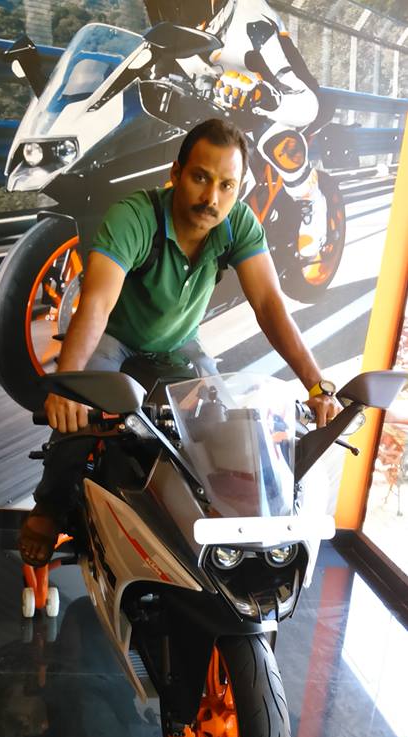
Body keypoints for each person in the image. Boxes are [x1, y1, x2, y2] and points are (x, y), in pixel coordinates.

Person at [19, 118, 339, 567]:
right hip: (115, 335)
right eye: (201, 178)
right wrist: (68, 385)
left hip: (179, 344)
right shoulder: (135, 217)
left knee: (221, 421)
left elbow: (269, 304)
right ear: (176, 173)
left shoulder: (237, 224)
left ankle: (207, 524)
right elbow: (96, 304)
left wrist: (317, 385)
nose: (212, 198)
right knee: (81, 418)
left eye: (227, 185)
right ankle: (50, 507)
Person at [145, 0, 328, 257]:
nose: (170, 10)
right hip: (215, 103)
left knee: (278, 141)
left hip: (274, 104)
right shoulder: (169, 32)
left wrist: (262, 98)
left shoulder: (254, 23)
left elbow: (308, 105)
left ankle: (310, 199)